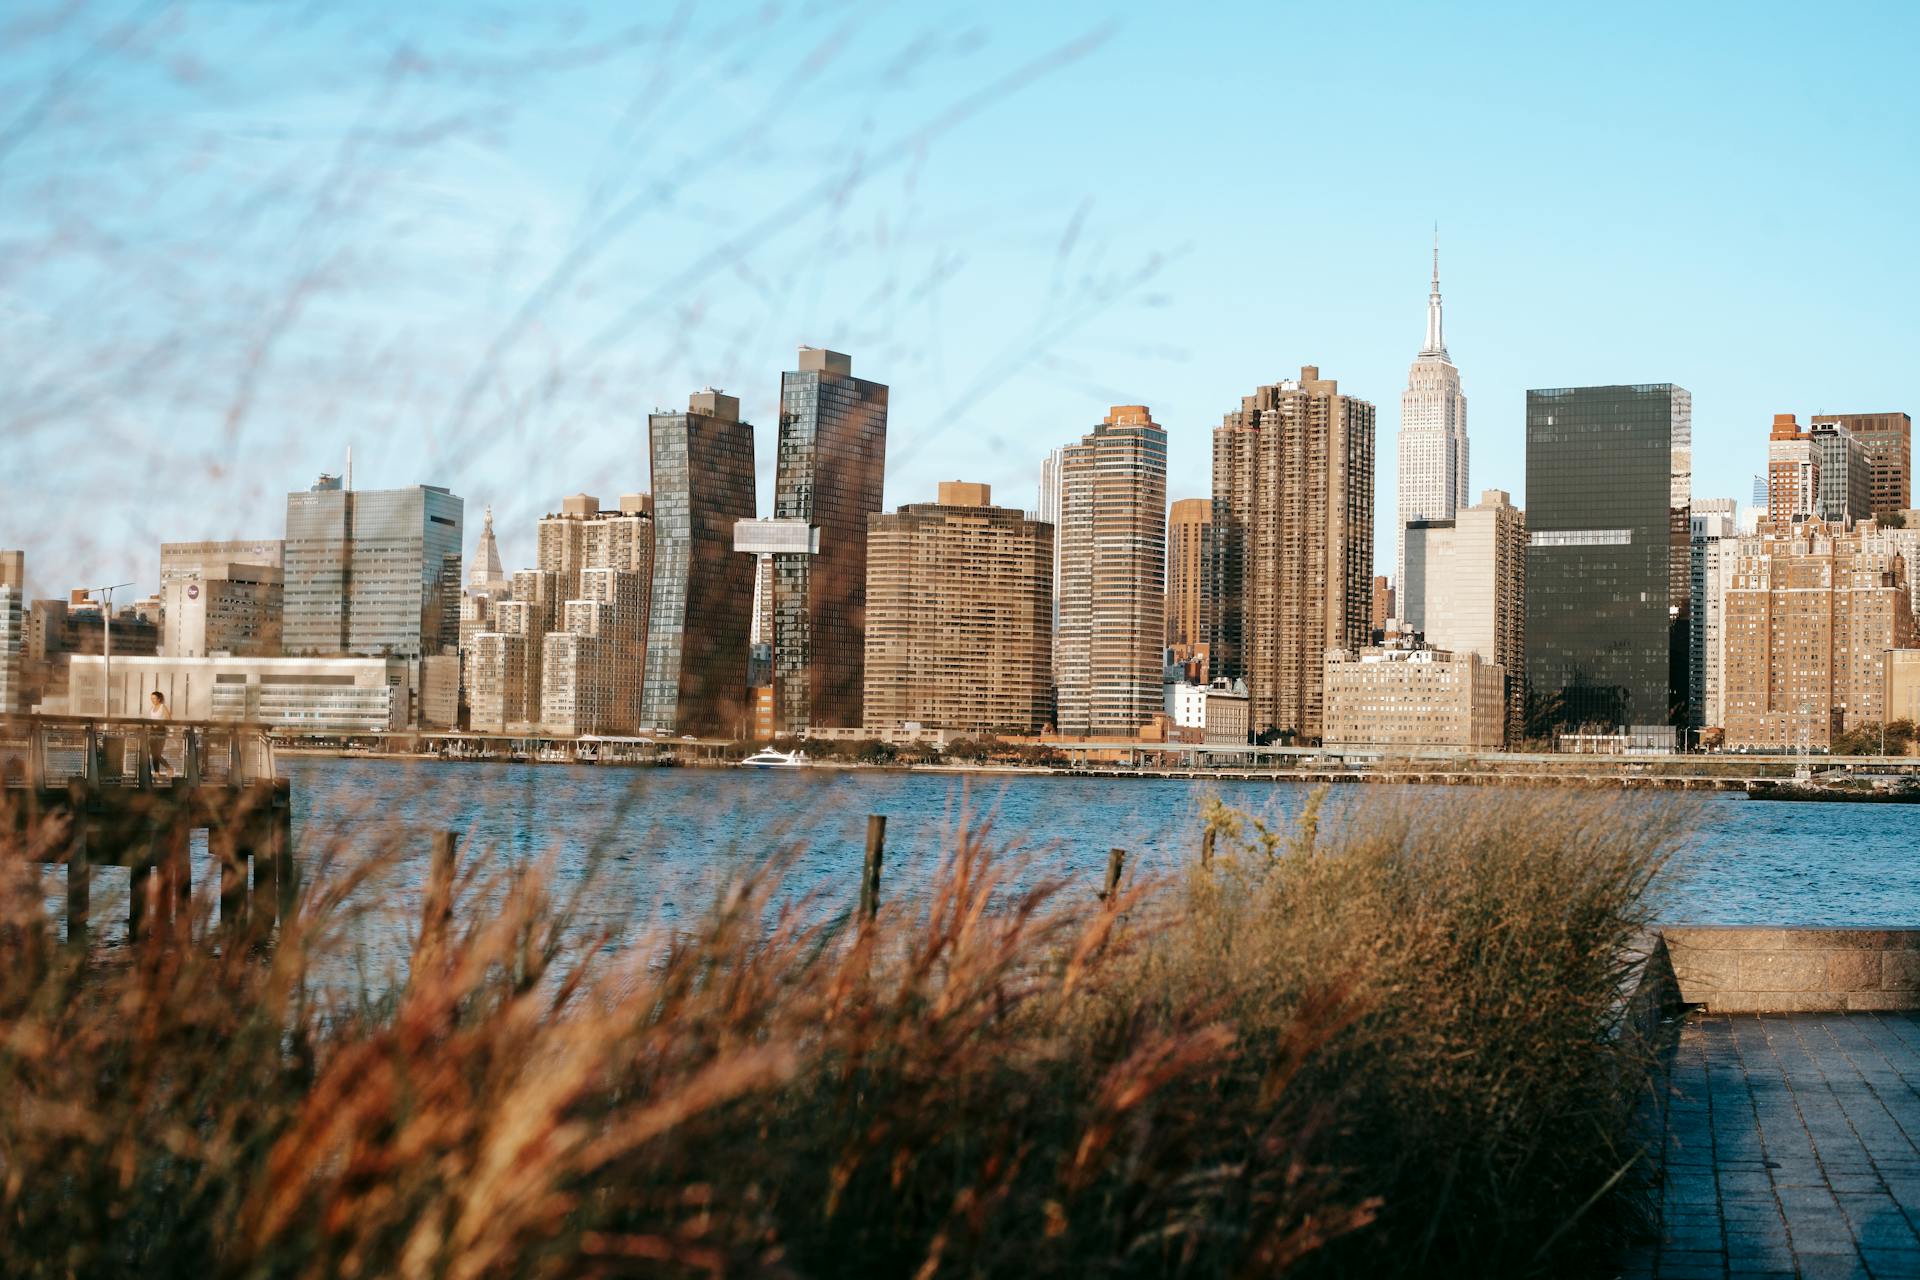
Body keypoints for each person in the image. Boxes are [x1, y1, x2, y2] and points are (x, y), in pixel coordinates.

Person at [146, 690, 171, 779]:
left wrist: (159, 724)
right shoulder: (152, 708)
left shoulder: (162, 707)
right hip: (153, 731)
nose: (152, 700)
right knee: (153, 754)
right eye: (151, 698)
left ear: (159, 699)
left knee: (157, 753)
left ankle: (169, 768)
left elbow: (168, 718)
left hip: (160, 731)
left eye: (154, 698)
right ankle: (157, 773)